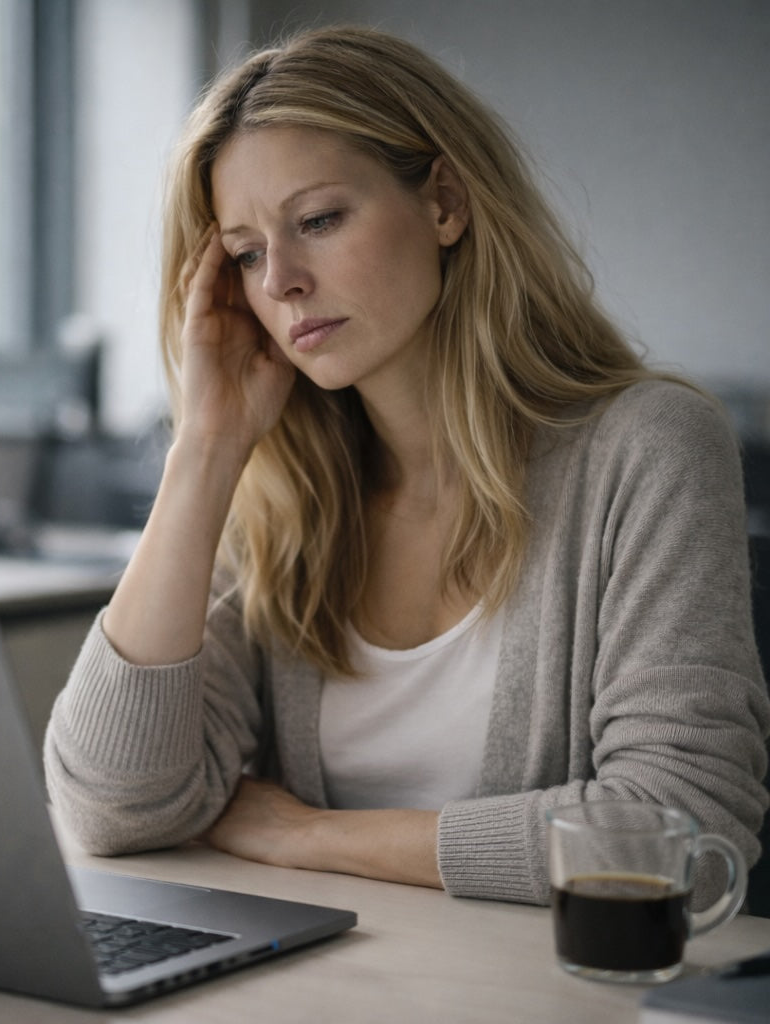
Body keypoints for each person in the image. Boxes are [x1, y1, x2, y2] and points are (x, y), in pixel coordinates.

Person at [44, 24, 770, 905]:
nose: (279, 282)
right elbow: (112, 807)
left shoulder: (650, 447)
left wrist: (306, 835)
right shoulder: (281, 496)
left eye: (316, 220)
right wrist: (205, 448)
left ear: (445, 203)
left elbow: (684, 833)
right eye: (244, 252)